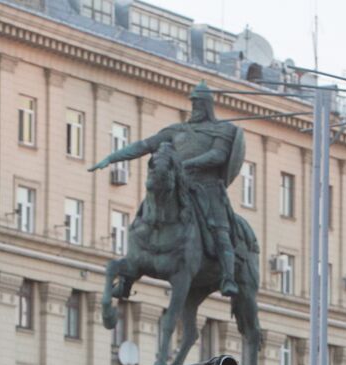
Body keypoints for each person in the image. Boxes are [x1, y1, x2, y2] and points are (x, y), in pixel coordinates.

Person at [89, 82, 246, 298]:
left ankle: (228, 277)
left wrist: (187, 163)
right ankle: (128, 276)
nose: (195, 107)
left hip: (207, 188)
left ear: (208, 105)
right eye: (192, 103)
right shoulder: (177, 130)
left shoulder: (223, 130)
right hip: (178, 184)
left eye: (198, 103)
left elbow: (217, 156)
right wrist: (112, 158)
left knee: (219, 229)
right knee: (145, 215)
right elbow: (144, 145)